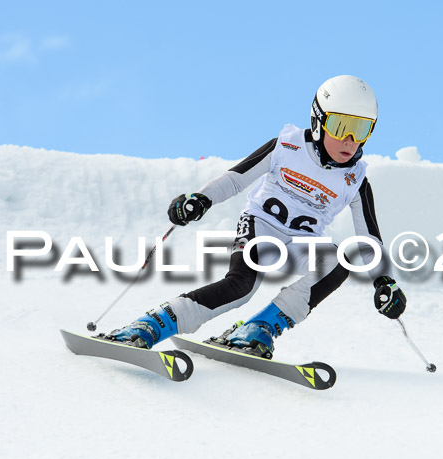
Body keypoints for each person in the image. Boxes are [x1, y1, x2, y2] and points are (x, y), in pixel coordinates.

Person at [103, 75, 407, 358]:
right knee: (241, 287)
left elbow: (368, 240)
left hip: (302, 244)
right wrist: (201, 199)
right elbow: (236, 179)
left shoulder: (355, 180)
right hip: (261, 227)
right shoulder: (287, 146)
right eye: (341, 126)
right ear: (319, 121)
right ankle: (152, 325)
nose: (350, 140)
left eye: (362, 129)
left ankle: (260, 327)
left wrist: (384, 282)